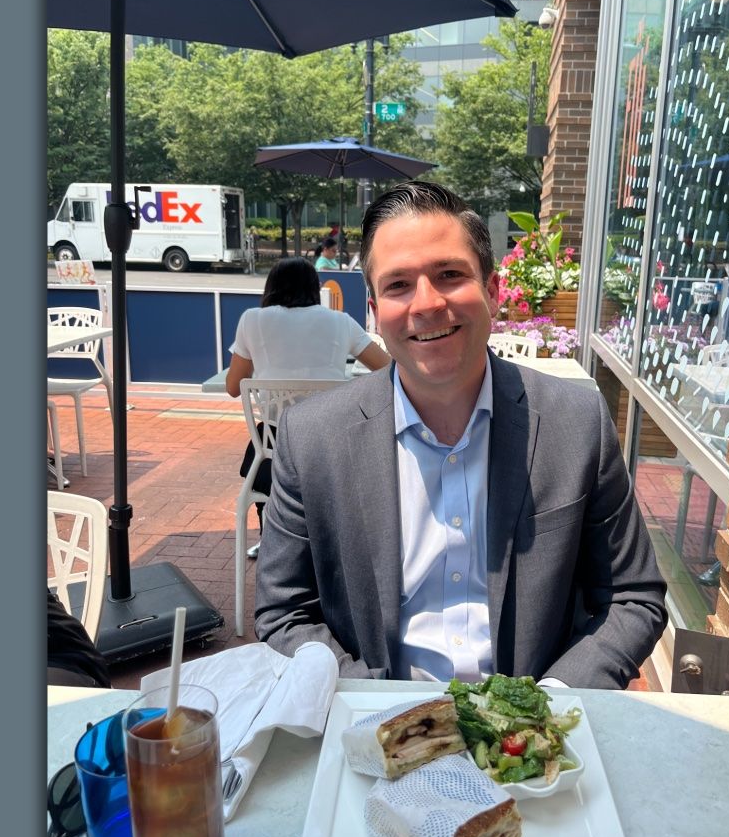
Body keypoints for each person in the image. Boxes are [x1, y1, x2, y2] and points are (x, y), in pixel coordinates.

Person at [253, 181, 667, 690]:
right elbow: (284, 613)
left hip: (534, 740)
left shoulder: (575, 422)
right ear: (375, 307)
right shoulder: (312, 437)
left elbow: (632, 597)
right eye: (398, 284)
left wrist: (549, 707)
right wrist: (367, 703)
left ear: (492, 291)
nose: (426, 304)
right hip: (379, 724)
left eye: (449, 275)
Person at [226, 257, 393, 540]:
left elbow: (233, 386)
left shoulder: (252, 320)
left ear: (271, 288)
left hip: (273, 449)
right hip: (330, 445)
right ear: (314, 289)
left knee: (262, 442)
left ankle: (272, 537)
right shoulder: (340, 322)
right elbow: (388, 369)